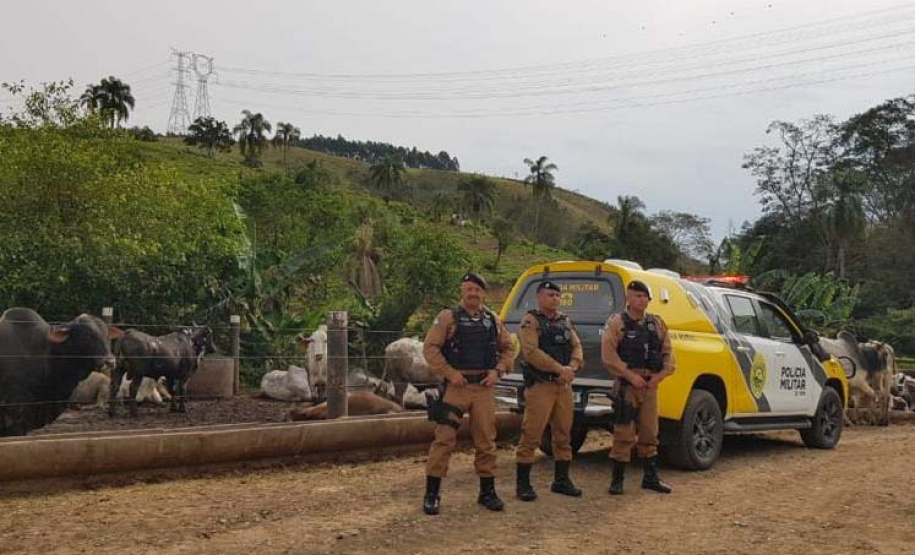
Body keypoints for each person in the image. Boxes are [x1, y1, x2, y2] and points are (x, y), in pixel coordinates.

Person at [421, 272, 516, 515]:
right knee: (444, 439)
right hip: (456, 388)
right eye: (469, 288)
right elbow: (430, 348)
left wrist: (498, 371)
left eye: (477, 289)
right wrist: (449, 373)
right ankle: (432, 494)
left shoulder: (493, 320)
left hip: (484, 388)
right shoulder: (447, 318)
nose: (473, 293)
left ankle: (487, 492)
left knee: (486, 440)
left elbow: (509, 349)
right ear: (462, 290)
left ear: (483, 292)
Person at [600, 279, 674, 495]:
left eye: (645, 297)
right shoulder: (617, 323)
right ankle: (617, 480)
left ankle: (650, 478)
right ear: (628, 299)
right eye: (637, 296)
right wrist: (631, 377)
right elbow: (609, 356)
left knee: (650, 432)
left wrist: (658, 377)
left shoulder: (656, 324)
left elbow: (668, 355)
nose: (642, 300)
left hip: (650, 385)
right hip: (627, 386)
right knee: (624, 432)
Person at [515, 280, 584, 501]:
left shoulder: (564, 321)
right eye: (549, 295)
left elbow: (577, 346)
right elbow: (531, 352)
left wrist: (572, 367)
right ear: (539, 297)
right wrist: (558, 368)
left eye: (557, 295)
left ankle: (562, 480)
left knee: (564, 433)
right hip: (541, 385)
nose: (554, 299)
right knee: (532, 434)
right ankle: (523, 484)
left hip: (563, 386)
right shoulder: (531, 321)